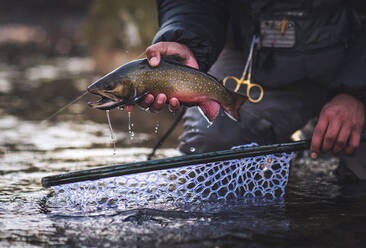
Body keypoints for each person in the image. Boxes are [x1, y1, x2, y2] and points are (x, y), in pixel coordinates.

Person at [127, 0, 366, 179]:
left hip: (356, 56)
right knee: (210, 148)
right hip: (251, 55)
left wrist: (356, 91)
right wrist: (185, 37)